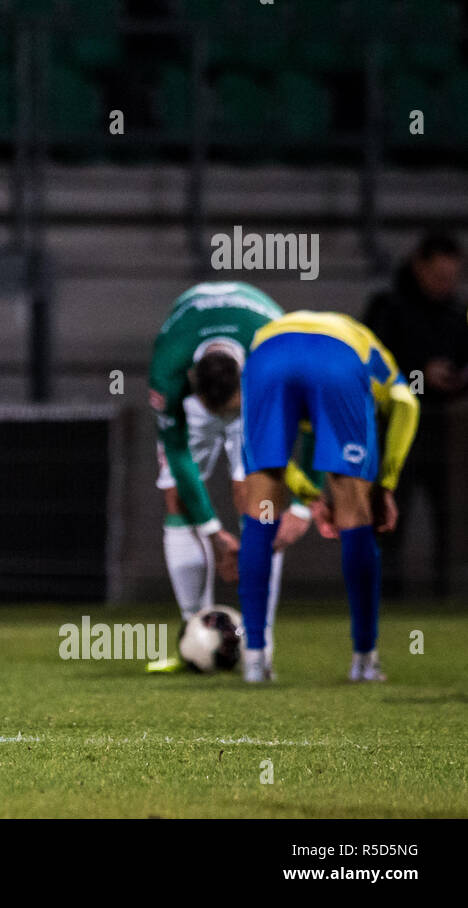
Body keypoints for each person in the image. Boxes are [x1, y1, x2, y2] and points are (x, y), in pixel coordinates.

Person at [238, 312, 420, 683]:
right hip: (337, 359)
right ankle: (364, 660)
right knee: (355, 516)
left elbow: (271, 457)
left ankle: (255, 660)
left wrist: (308, 495)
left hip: (266, 357)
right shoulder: (373, 349)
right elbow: (407, 404)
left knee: (261, 511)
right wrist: (386, 482)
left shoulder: (264, 340)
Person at [145, 282, 311, 672]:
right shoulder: (168, 367)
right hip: (215, 390)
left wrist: (303, 505)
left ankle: (260, 645)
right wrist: (213, 531)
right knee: (176, 498)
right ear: (191, 381)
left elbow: (311, 426)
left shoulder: (276, 357)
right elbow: (177, 452)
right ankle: (192, 634)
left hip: (256, 393)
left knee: (260, 501)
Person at [363, 231, 467, 596]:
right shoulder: (388, 308)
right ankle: (384, 598)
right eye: (439, 276)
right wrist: (423, 374)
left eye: (452, 278)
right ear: (418, 266)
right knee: (390, 514)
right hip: (393, 431)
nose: (446, 285)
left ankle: (449, 596)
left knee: (451, 518)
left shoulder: (458, 314)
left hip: (446, 432)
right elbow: (374, 366)